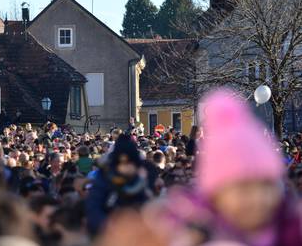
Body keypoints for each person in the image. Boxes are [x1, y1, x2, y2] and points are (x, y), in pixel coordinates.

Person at [146, 89, 302, 246]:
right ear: (216, 193)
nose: (257, 197)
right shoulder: (194, 234)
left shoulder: (292, 229)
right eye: (243, 187)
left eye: (266, 184)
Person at [85, 134, 153, 235]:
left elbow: (148, 206)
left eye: (128, 163)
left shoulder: (141, 177)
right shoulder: (105, 176)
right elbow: (94, 208)